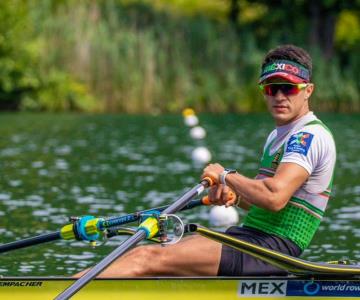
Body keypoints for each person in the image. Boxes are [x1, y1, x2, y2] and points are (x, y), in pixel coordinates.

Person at [77, 44, 336, 277]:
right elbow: (262, 202)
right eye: (272, 88)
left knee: (145, 256)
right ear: (264, 91)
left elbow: (274, 197)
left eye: (289, 88)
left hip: (271, 250)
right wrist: (235, 195)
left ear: (308, 90)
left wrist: (226, 175)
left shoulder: (308, 136)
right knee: (156, 256)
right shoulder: (279, 135)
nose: (280, 96)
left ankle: (57, 291)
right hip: (252, 239)